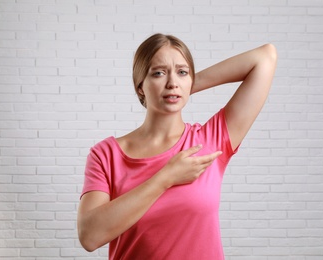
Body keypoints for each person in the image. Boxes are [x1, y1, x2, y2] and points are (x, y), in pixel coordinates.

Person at [77, 33, 277, 259]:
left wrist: (186, 85)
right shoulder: (106, 155)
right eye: (158, 73)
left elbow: (265, 57)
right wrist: (166, 177)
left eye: (182, 72)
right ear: (140, 86)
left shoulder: (211, 139)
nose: (172, 82)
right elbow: (90, 236)